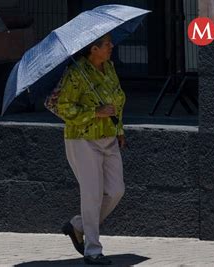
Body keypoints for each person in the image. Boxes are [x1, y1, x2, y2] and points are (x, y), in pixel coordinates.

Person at [57, 33, 126, 265]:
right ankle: (92, 250)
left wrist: (120, 129)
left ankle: (77, 225)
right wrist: (95, 112)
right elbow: (63, 108)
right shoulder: (75, 74)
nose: (111, 46)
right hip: (83, 140)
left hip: (109, 138)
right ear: (93, 49)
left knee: (116, 190)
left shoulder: (110, 68)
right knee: (92, 195)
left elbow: (117, 100)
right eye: (106, 44)